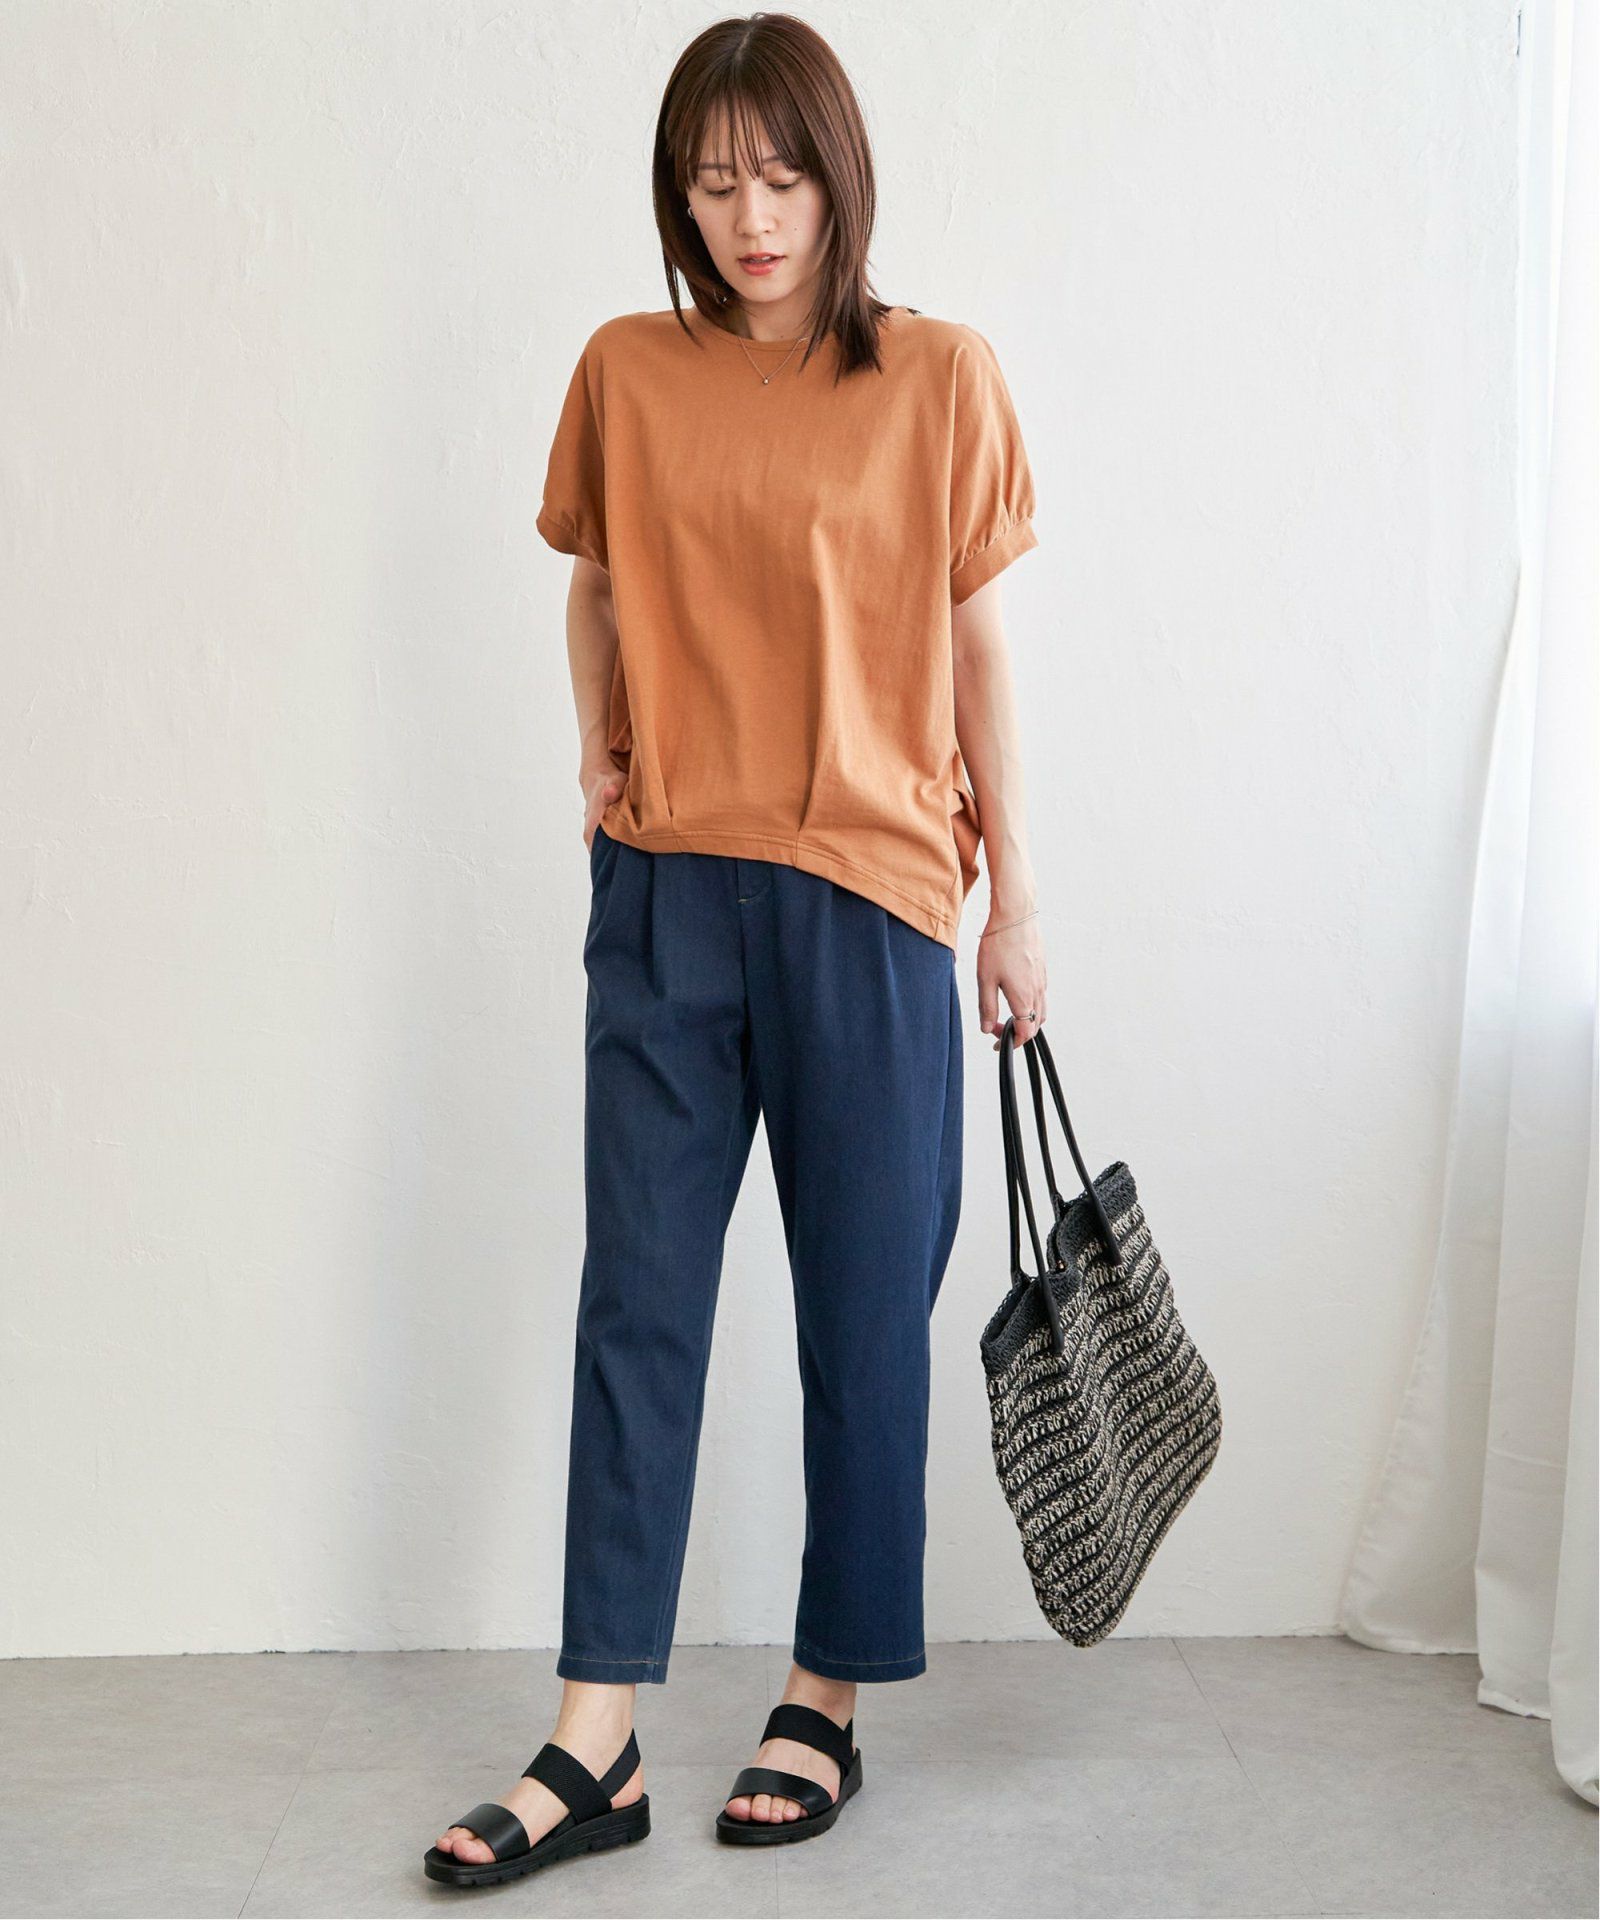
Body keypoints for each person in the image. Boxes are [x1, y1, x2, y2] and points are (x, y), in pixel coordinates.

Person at [423, 9, 1047, 1889]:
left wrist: (1020, 902)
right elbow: (599, 587)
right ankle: (592, 1732)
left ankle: (822, 1698)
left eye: (779, 178)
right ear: (677, 199)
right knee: (638, 1308)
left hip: (874, 897)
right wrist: (595, 748)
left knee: (862, 1321)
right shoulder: (627, 371)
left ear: (838, 181)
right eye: (713, 184)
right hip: (669, 894)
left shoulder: (940, 377)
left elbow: (979, 649)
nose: (750, 219)